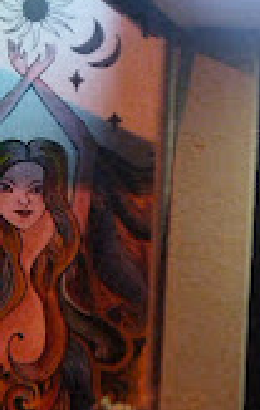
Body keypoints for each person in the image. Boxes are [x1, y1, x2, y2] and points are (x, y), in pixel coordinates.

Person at [0, 42, 152, 410]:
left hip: (55, 383)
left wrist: (36, 81)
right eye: (8, 187)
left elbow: (84, 145)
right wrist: (24, 80)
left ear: (49, 195)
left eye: (35, 189)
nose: (22, 199)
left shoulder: (63, 241)